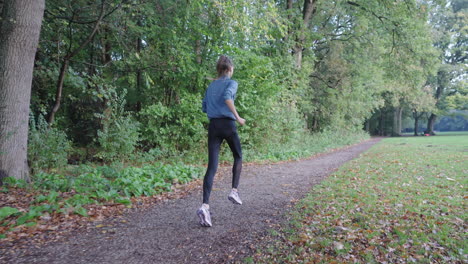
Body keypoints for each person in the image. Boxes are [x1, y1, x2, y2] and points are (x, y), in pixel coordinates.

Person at [197, 55, 245, 227]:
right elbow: (227, 97)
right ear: (230, 69)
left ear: (218, 69)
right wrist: (238, 117)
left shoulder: (210, 86)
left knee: (212, 167)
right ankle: (234, 191)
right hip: (228, 124)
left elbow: (204, 107)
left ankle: (205, 206)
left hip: (213, 126)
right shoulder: (232, 83)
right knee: (238, 156)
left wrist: (214, 109)